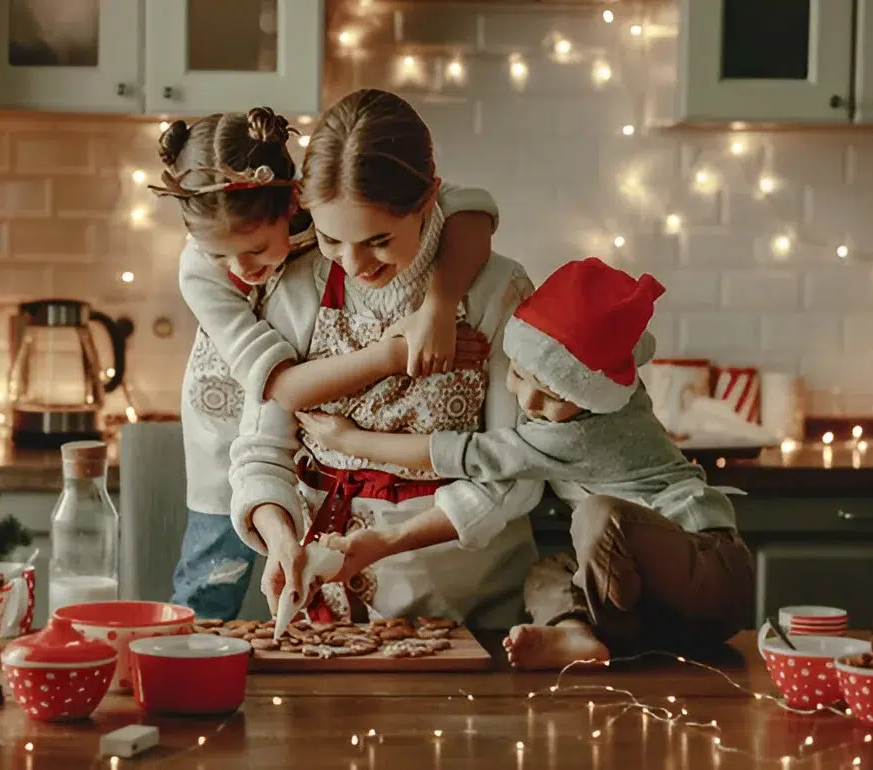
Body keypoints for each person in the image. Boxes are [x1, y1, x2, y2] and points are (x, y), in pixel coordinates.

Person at [299, 258, 754, 669]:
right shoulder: (603, 385)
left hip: (707, 571)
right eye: (518, 375)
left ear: (590, 393)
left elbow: (465, 454)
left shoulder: (586, 430)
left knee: (601, 515)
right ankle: (578, 636)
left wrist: (352, 439)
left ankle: (609, 635)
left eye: (552, 395)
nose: (528, 400)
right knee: (546, 575)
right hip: (660, 606)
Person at [157, 106, 501, 620]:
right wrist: (395, 354)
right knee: (213, 569)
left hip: (303, 401)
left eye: (254, 249)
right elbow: (283, 390)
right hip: (237, 400)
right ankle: (194, 661)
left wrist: (437, 307)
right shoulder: (201, 272)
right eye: (219, 257)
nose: (240, 270)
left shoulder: (330, 217)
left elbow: (471, 208)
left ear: (294, 201)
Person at [228, 89, 544, 629]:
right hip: (324, 608)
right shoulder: (298, 285)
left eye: (377, 240)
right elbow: (261, 448)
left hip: (467, 604)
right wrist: (281, 537)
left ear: (428, 201)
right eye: (330, 238)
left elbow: (515, 469)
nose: (352, 264)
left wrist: (391, 541)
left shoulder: (494, 290)